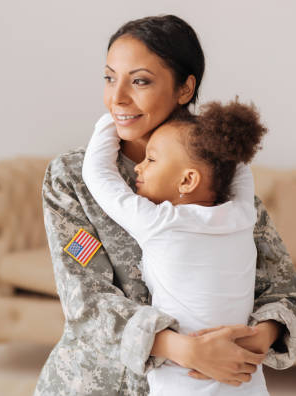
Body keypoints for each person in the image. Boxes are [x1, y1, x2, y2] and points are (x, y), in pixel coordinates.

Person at [34, 15, 296, 396]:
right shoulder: (72, 177)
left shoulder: (219, 180)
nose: (117, 98)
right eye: (110, 77)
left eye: (140, 80)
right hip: (95, 384)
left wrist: (256, 340)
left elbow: (286, 294)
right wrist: (184, 349)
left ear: (185, 88)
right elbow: (86, 301)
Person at [82, 100, 269, 395]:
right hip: (243, 378)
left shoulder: (160, 223)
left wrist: (112, 120)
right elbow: (239, 167)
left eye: (151, 160)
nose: (139, 168)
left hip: (182, 381)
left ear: (187, 179)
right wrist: (216, 134)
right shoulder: (243, 215)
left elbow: (98, 175)